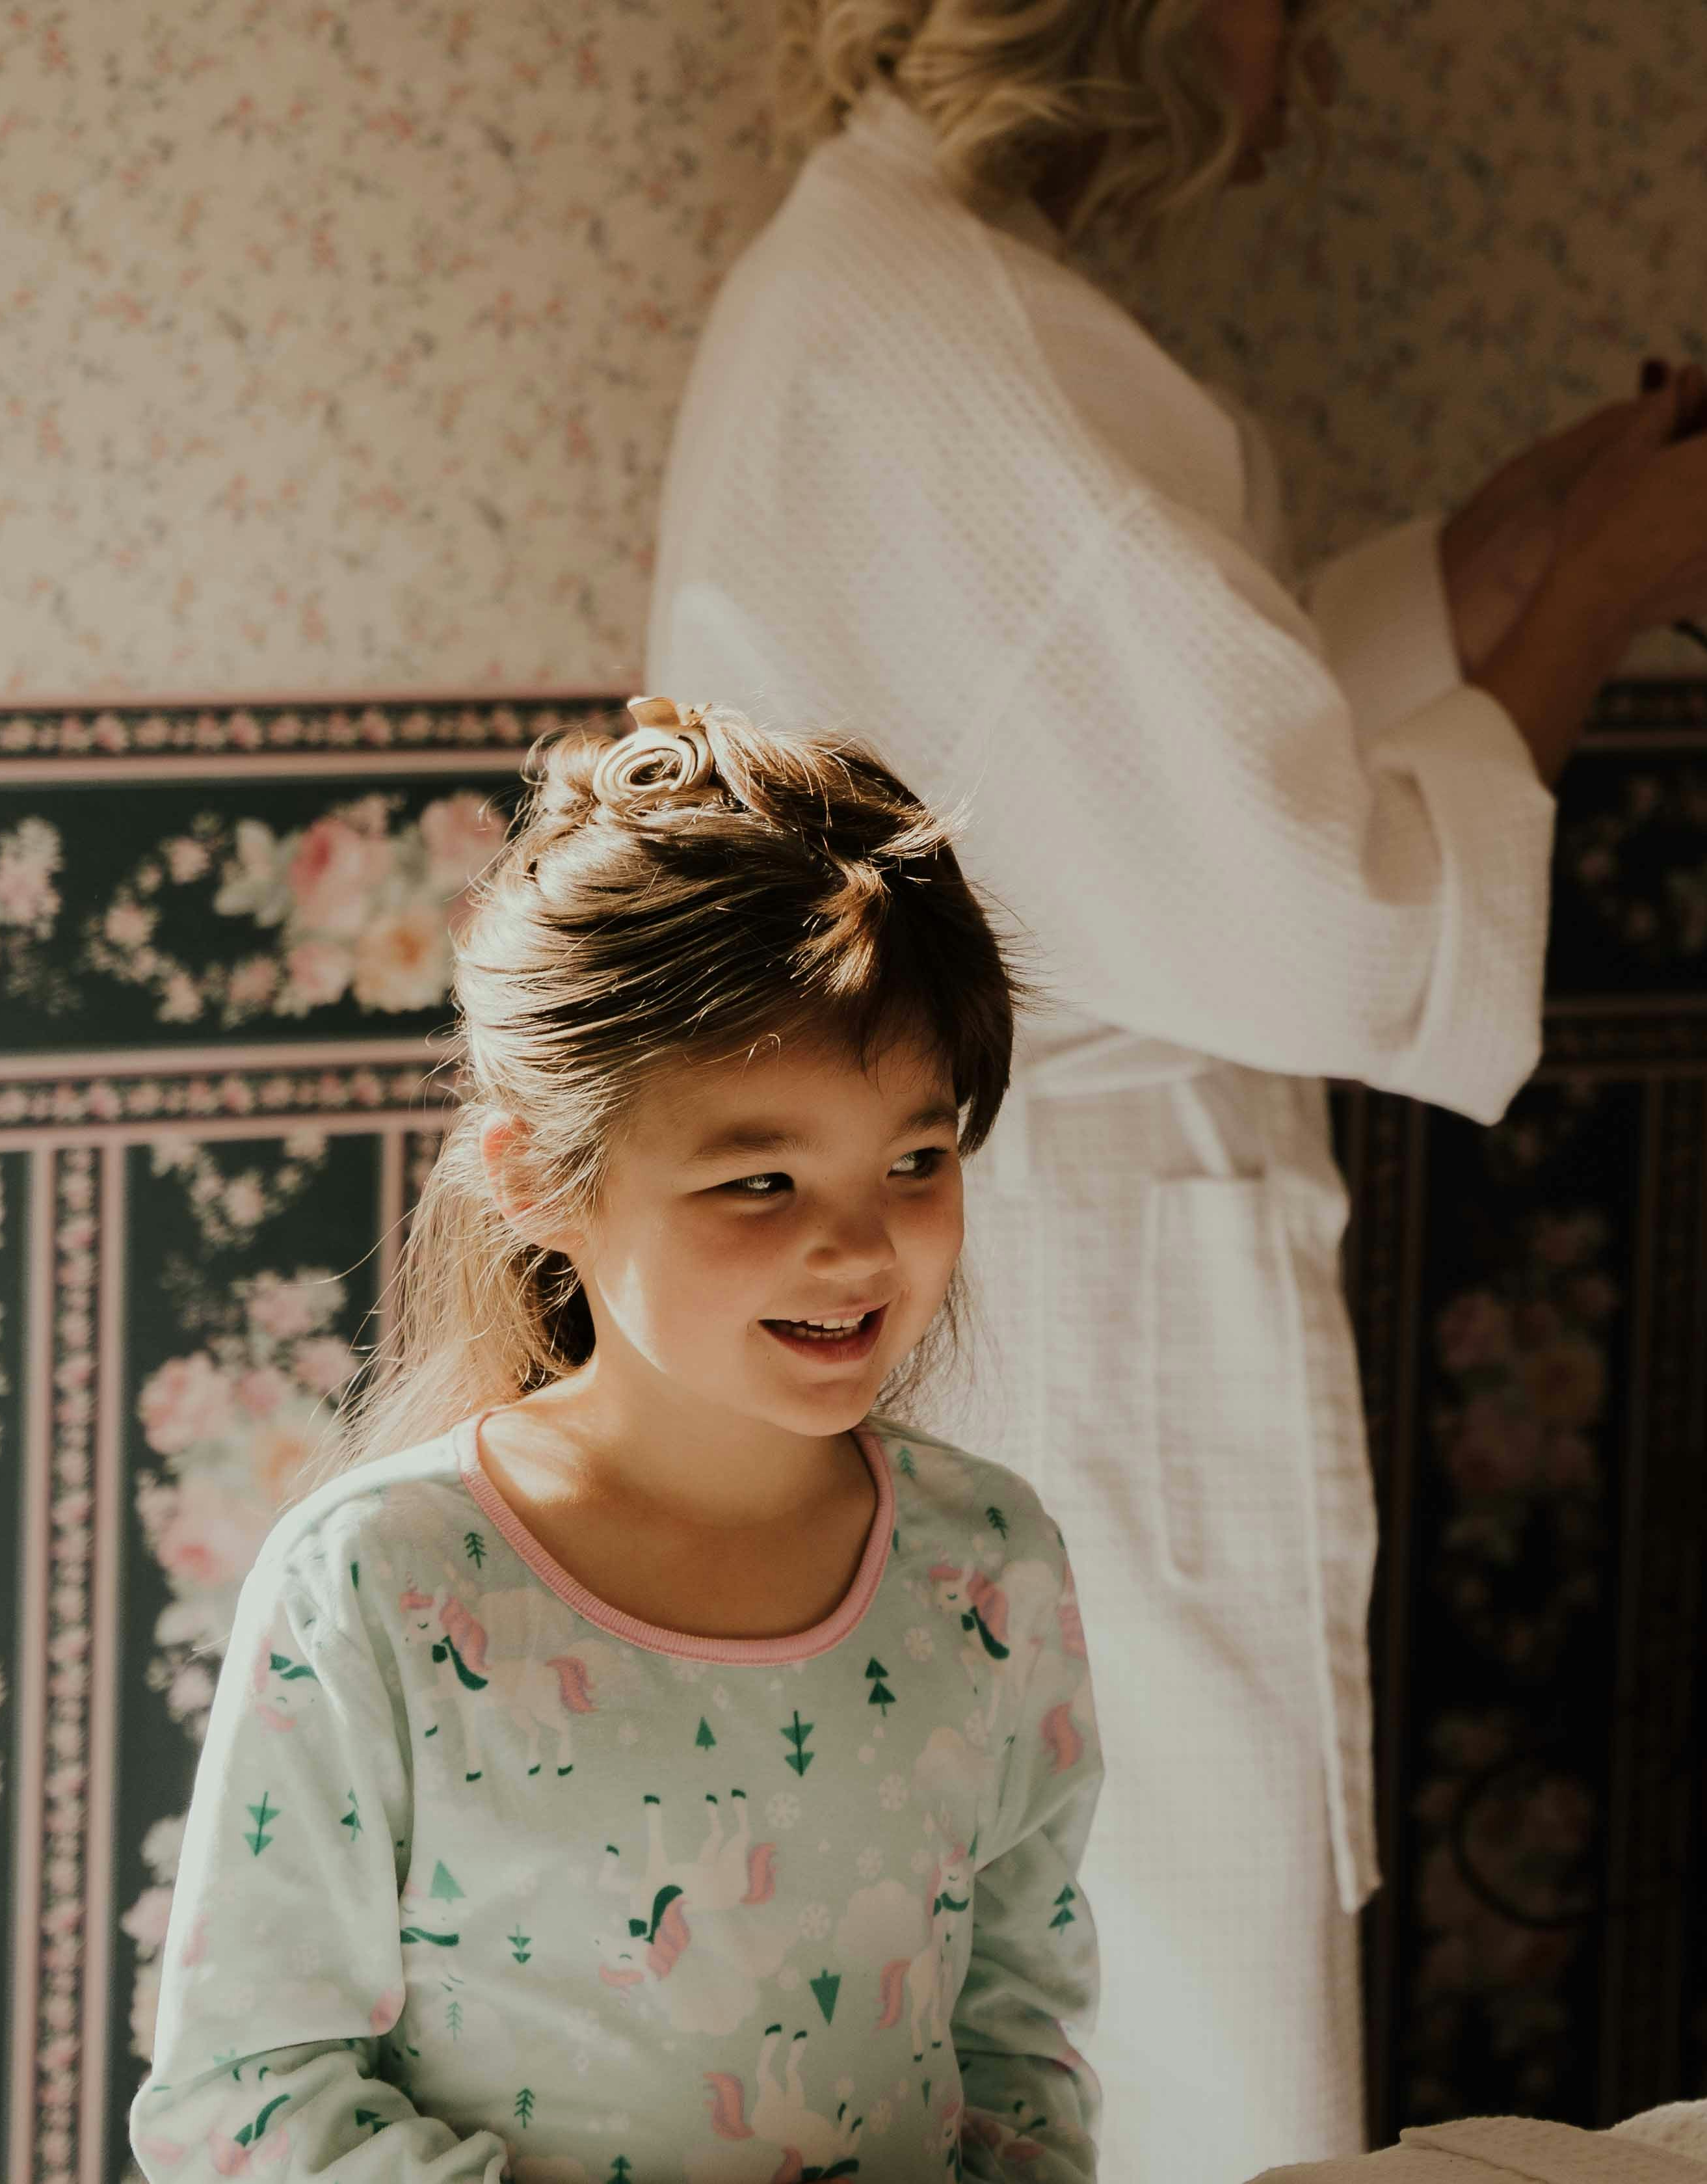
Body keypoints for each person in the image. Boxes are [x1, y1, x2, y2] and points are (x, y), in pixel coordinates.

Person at [646, 1, 1707, 2172]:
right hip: (1050, 1337)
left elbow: (1129, 758)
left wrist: (1492, 557)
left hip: (936, 1298)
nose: (1298, 45)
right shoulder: (973, 339)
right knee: (1150, 2034)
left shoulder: (886, 289)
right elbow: (1324, 911)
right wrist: (1590, 599)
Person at [131, 701, 1107, 2181]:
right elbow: (242, 2100)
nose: (858, 1247)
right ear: (537, 1177)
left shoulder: (991, 1567)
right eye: (760, 1179)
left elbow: (1016, 2045)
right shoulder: (378, 1586)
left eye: (915, 1160)